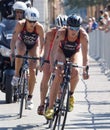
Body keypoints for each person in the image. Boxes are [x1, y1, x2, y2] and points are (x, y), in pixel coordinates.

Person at [45, 14, 89, 119]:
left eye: (76, 28)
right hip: (61, 51)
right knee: (58, 75)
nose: (74, 31)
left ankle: (71, 95)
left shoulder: (83, 35)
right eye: (71, 28)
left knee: (75, 71)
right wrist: (52, 65)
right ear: (67, 27)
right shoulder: (61, 33)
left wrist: (85, 70)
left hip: (75, 52)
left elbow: (85, 55)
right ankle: (50, 108)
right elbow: (53, 50)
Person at [10, 7, 44, 110]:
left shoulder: (39, 27)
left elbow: (43, 44)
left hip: (34, 45)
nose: (32, 24)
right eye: (30, 21)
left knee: (33, 69)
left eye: (34, 22)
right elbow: (13, 39)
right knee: (20, 52)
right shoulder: (20, 24)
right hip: (22, 42)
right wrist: (12, 52)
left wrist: (41, 56)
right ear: (26, 20)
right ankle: (16, 75)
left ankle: (30, 98)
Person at [37, 14, 67, 115]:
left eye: (63, 29)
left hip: (61, 54)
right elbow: (46, 51)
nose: (60, 31)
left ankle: (59, 100)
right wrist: (45, 62)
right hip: (50, 53)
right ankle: (41, 104)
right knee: (46, 74)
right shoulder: (50, 33)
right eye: (59, 28)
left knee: (61, 75)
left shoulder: (66, 34)